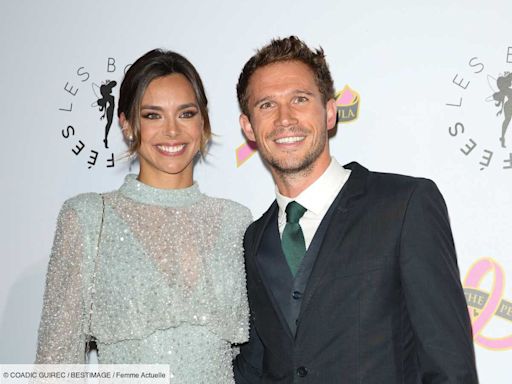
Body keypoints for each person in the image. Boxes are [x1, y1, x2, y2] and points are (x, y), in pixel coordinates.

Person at [233, 36, 478, 383]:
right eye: (267, 105)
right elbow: (256, 370)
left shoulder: (404, 205)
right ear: (248, 127)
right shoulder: (253, 240)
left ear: (330, 112)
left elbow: (449, 364)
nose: (285, 118)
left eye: (300, 99)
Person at [36, 49, 251, 383]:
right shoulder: (90, 218)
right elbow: (55, 365)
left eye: (186, 113)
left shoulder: (236, 221)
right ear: (126, 123)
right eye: (153, 115)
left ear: (203, 122)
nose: (172, 131)